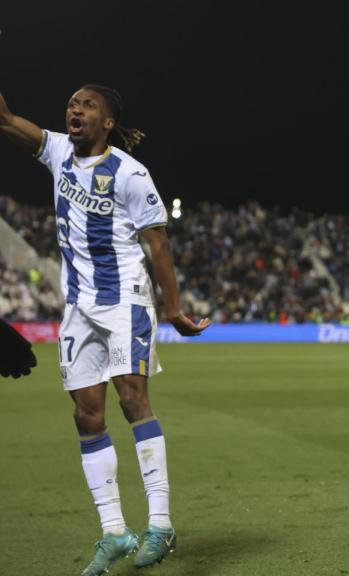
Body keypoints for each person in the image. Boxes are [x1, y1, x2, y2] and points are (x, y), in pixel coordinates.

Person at [0, 85, 210, 574]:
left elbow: (158, 246)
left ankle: (160, 524)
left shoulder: (131, 173)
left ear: (108, 122)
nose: (74, 108)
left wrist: (173, 309)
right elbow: (6, 119)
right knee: (86, 415)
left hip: (124, 300)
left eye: (87, 105)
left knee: (133, 399)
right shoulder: (57, 151)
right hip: (78, 307)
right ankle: (115, 532)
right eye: (72, 103)